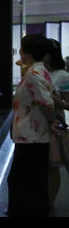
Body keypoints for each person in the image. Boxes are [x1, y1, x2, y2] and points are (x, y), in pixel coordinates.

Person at [8, 34, 56, 217]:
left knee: (21, 182)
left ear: (28, 52)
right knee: (33, 181)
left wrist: (51, 120)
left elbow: (46, 103)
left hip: (32, 138)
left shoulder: (34, 74)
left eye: (22, 50)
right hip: (34, 136)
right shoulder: (39, 71)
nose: (20, 53)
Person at [43, 38, 69, 215]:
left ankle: (50, 204)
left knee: (52, 167)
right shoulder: (37, 72)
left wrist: (52, 99)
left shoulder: (63, 76)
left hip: (54, 123)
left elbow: (68, 104)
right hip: (36, 126)